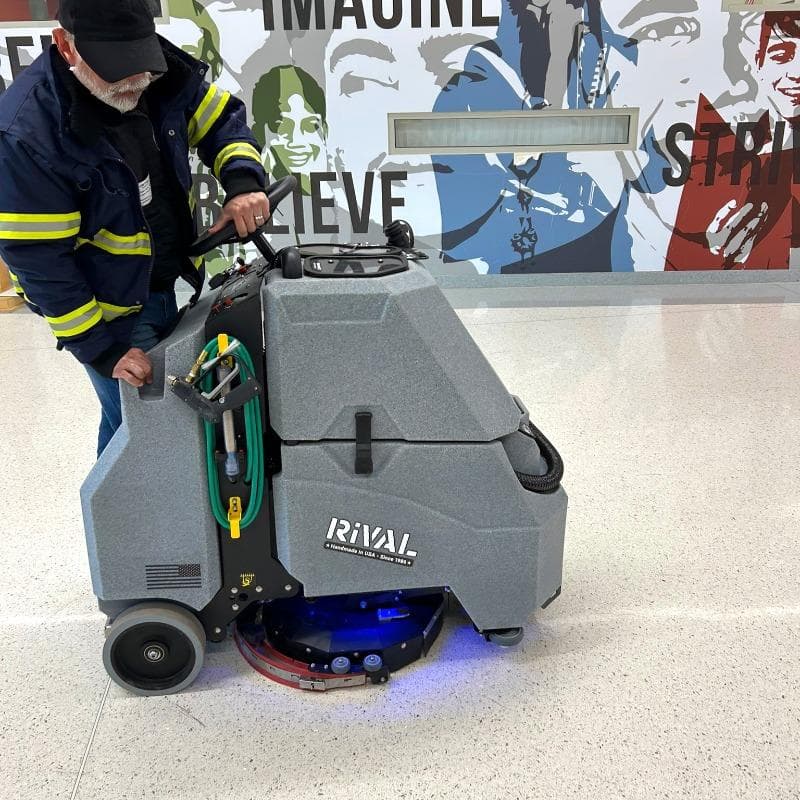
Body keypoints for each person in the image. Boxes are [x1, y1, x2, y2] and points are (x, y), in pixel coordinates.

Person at [0, 0, 269, 455]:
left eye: (139, 63)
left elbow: (222, 120)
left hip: (168, 279)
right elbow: (38, 261)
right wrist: (102, 350)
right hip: (108, 311)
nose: (132, 82)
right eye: (114, 66)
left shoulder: (160, 75)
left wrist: (242, 183)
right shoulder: (27, 134)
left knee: (141, 420)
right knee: (137, 425)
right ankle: (119, 519)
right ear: (64, 45)